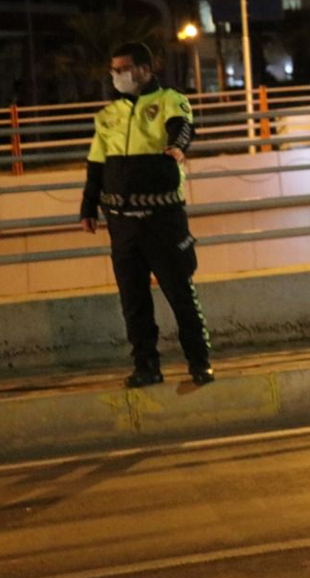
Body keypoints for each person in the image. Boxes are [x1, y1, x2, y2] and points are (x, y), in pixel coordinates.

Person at [80, 42, 214, 387]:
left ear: (144, 68)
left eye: (123, 69)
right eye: (114, 70)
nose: (117, 76)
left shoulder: (169, 99)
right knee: (133, 302)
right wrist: (88, 206)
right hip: (121, 221)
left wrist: (176, 147)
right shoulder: (108, 115)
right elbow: (96, 164)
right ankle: (146, 367)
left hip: (162, 218)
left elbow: (182, 126)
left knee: (180, 293)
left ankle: (200, 362)